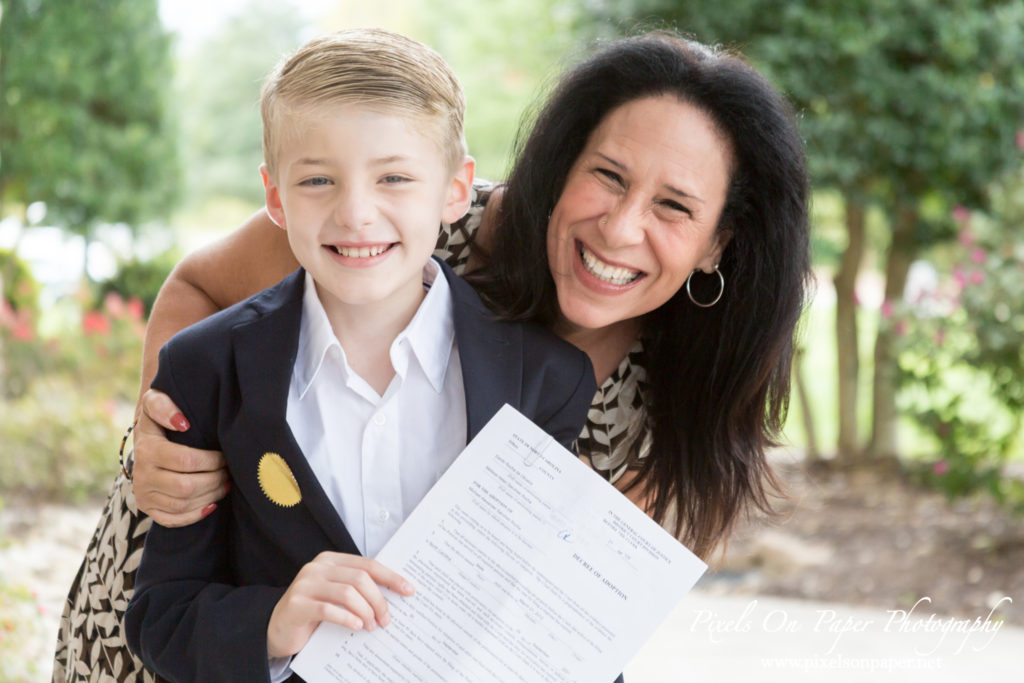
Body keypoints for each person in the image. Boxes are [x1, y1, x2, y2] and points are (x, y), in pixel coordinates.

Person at [55, 30, 811, 682]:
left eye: (674, 206)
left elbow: (560, 629)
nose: (618, 228)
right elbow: (198, 287)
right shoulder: (401, 221)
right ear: (563, 164)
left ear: (721, 241)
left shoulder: (688, 395)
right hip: (197, 599)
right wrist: (163, 436)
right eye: (606, 175)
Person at [117, 27, 595, 682]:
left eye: (394, 177)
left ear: (455, 190)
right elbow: (163, 616)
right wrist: (275, 622)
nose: (357, 213)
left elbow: (556, 615)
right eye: (318, 180)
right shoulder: (208, 366)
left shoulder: (547, 378)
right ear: (276, 197)